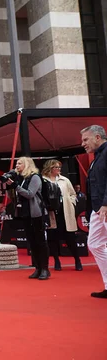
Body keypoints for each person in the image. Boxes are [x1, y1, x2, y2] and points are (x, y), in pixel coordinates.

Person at [6, 157, 50, 280]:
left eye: (19, 163)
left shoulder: (35, 177)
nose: (17, 166)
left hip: (37, 212)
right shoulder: (21, 178)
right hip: (25, 212)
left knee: (40, 240)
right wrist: (10, 186)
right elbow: (14, 195)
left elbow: (30, 194)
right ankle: (37, 267)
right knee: (31, 241)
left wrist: (16, 186)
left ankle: (45, 268)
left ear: (27, 165)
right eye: (16, 163)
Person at [80, 125, 107, 298]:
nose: (83, 144)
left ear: (97, 137)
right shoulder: (97, 156)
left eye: (85, 139)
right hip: (98, 209)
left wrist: (106, 203)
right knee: (94, 244)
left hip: (105, 206)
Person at [42, 159, 82, 271]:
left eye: (59, 167)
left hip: (65, 212)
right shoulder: (43, 180)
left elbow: (73, 194)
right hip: (51, 213)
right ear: (50, 168)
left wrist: (71, 202)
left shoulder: (65, 180)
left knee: (70, 238)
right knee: (52, 238)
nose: (58, 169)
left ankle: (77, 260)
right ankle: (56, 261)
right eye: (56, 167)